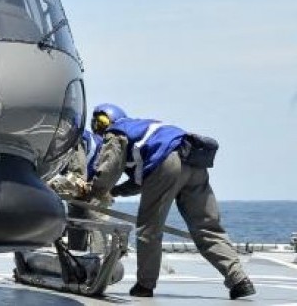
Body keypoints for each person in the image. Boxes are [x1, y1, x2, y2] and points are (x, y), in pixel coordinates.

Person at [85, 103, 256, 299]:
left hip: (167, 162)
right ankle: (239, 279)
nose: (98, 127)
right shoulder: (146, 130)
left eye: (100, 122)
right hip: (194, 161)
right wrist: (116, 191)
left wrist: (94, 190)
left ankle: (144, 285)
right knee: (207, 227)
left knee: (149, 228)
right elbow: (143, 180)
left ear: (111, 120)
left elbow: (109, 171)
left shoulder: (116, 132)